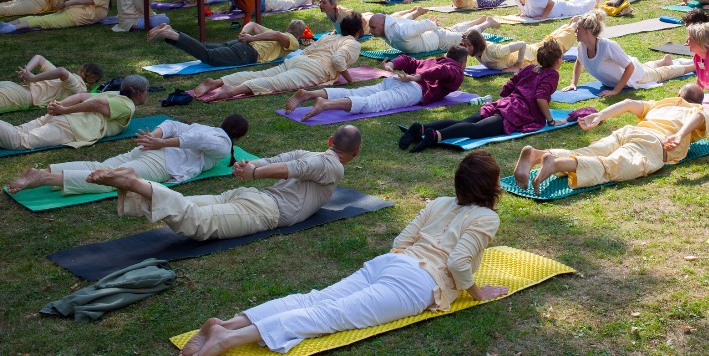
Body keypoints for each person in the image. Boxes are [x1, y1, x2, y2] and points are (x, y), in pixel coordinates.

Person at [176, 151, 503, 356]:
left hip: (390, 263)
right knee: (329, 315)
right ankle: (226, 339)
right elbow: (458, 262)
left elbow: (402, 239)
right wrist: (476, 293)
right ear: (489, 186)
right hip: (415, 283)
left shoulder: (440, 203)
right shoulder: (487, 217)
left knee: (315, 299)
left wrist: (404, 262)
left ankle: (229, 324)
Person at [88, 125, 360, 245]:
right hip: (265, 209)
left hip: (251, 198)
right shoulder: (332, 164)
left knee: (187, 207)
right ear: (355, 153)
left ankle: (135, 185)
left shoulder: (311, 156)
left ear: (329, 140)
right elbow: (292, 166)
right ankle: (133, 182)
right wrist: (253, 170)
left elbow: (284, 163)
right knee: (195, 221)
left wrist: (252, 167)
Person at [512, 83, 709, 193]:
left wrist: (600, 115)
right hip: (653, 143)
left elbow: (628, 103)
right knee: (612, 166)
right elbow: (699, 116)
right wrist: (680, 134)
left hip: (629, 132)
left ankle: (539, 154)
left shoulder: (660, 103)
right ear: (698, 102)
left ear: (677, 94)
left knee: (589, 151)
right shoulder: (695, 109)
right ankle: (556, 163)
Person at [8, 115, 249, 196]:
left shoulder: (204, 127)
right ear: (238, 136)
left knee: (100, 165)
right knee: (109, 180)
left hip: (151, 152)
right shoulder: (222, 144)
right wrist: (158, 140)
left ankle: (47, 170)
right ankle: (45, 178)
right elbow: (197, 141)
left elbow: (172, 124)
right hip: (162, 162)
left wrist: (154, 139)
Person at [402, 40, 565, 152]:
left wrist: (506, 99)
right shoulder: (552, 75)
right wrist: (550, 121)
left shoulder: (530, 68)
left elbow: (509, 85)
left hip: (506, 103)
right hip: (516, 112)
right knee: (477, 130)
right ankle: (436, 136)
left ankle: (421, 128)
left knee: (465, 122)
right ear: (558, 60)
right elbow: (540, 97)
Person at [188, 16, 362, 101]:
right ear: (358, 31)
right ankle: (232, 90)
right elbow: (338, 60)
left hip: (299, 61)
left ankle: (217, 82)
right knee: (273, 82)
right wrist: (349, 79)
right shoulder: (353, 43)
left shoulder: (328, 37)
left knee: (261, 74)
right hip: (315, 69)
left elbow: (307, 51)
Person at [284, 46, 468, 121]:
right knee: (372, 103)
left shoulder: (435, 61)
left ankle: (310, 94)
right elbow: (444, 71)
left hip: (395, 81)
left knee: (359, 93)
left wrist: (391, 64)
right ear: (462, 62)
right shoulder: (456, 70)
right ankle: (325, 104)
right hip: (413, 89)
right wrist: (416, 78)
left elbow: (409, 60)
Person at [563, 10, 694, 98]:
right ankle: (664, 60)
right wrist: (573, 83)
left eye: (578, 29)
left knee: (663, 73)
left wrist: (616, 91)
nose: (575, 31)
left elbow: (630, 67)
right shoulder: (582, 46)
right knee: (645, 67)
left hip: (637, 76)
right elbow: (579, 62)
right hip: (631, 70)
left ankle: (693, 66)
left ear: (587, 31)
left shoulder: (607, 46)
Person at [0, 75, 148, 151]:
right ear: (139, 94)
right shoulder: (127, 106)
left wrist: (60, 106)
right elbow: (97, 104)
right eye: (146, 91)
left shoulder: (114, 94)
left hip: (63, 118)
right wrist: (64, 109)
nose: (147, 94)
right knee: (20, 141)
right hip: (72, 126)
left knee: (17, 131)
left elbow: (82, 96)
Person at [149, 19, 306, 68]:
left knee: (203, 48)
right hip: (247, 52)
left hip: (239, 46)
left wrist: (244, 33)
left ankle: (172, 32)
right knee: (208, 56)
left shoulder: (273, 33)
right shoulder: (293, 40)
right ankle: (172, 34)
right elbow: (277, 35)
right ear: (298, 35)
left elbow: (252, 24)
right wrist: (248, 37)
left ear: (288, 28)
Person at [0, 0, 115, 34]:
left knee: (40, 19)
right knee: (44, 22)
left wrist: (65, 5)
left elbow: (81, 1)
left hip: (72, 13)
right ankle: (11, 28)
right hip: (74, 16)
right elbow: (82, 0)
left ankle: (9, 24)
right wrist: (65, 4)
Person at [0, 56, 102, 112]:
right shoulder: (78, 86)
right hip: (19, 94)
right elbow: (60, 71)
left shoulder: (76, 84)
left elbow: (39, 58)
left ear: (81, 70)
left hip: (15, 89)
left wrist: (29, 73)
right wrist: (30, 76)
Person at [461, 22, 577, 71]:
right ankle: (572, 24)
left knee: (558, 44)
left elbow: (521, 44)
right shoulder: (475, 51)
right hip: (531, 53)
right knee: (551, 40)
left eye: (469, 45)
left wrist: (518, 65)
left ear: (477, 44)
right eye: (465, 46)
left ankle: (575, 25)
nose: (467, 48)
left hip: (533, 55)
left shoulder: (494, 51)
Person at [367, 11, 496, 54]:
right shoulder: (387, 29)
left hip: (439, 40)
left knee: (467, 37)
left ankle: (487, 23)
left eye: (373, 27)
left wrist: (432, 24)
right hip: (436, 35)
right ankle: (478, 21)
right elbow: (405, 20)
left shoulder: (400, 32)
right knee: (454, 30)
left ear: (383, 25)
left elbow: (424, 24)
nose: (370, 31)